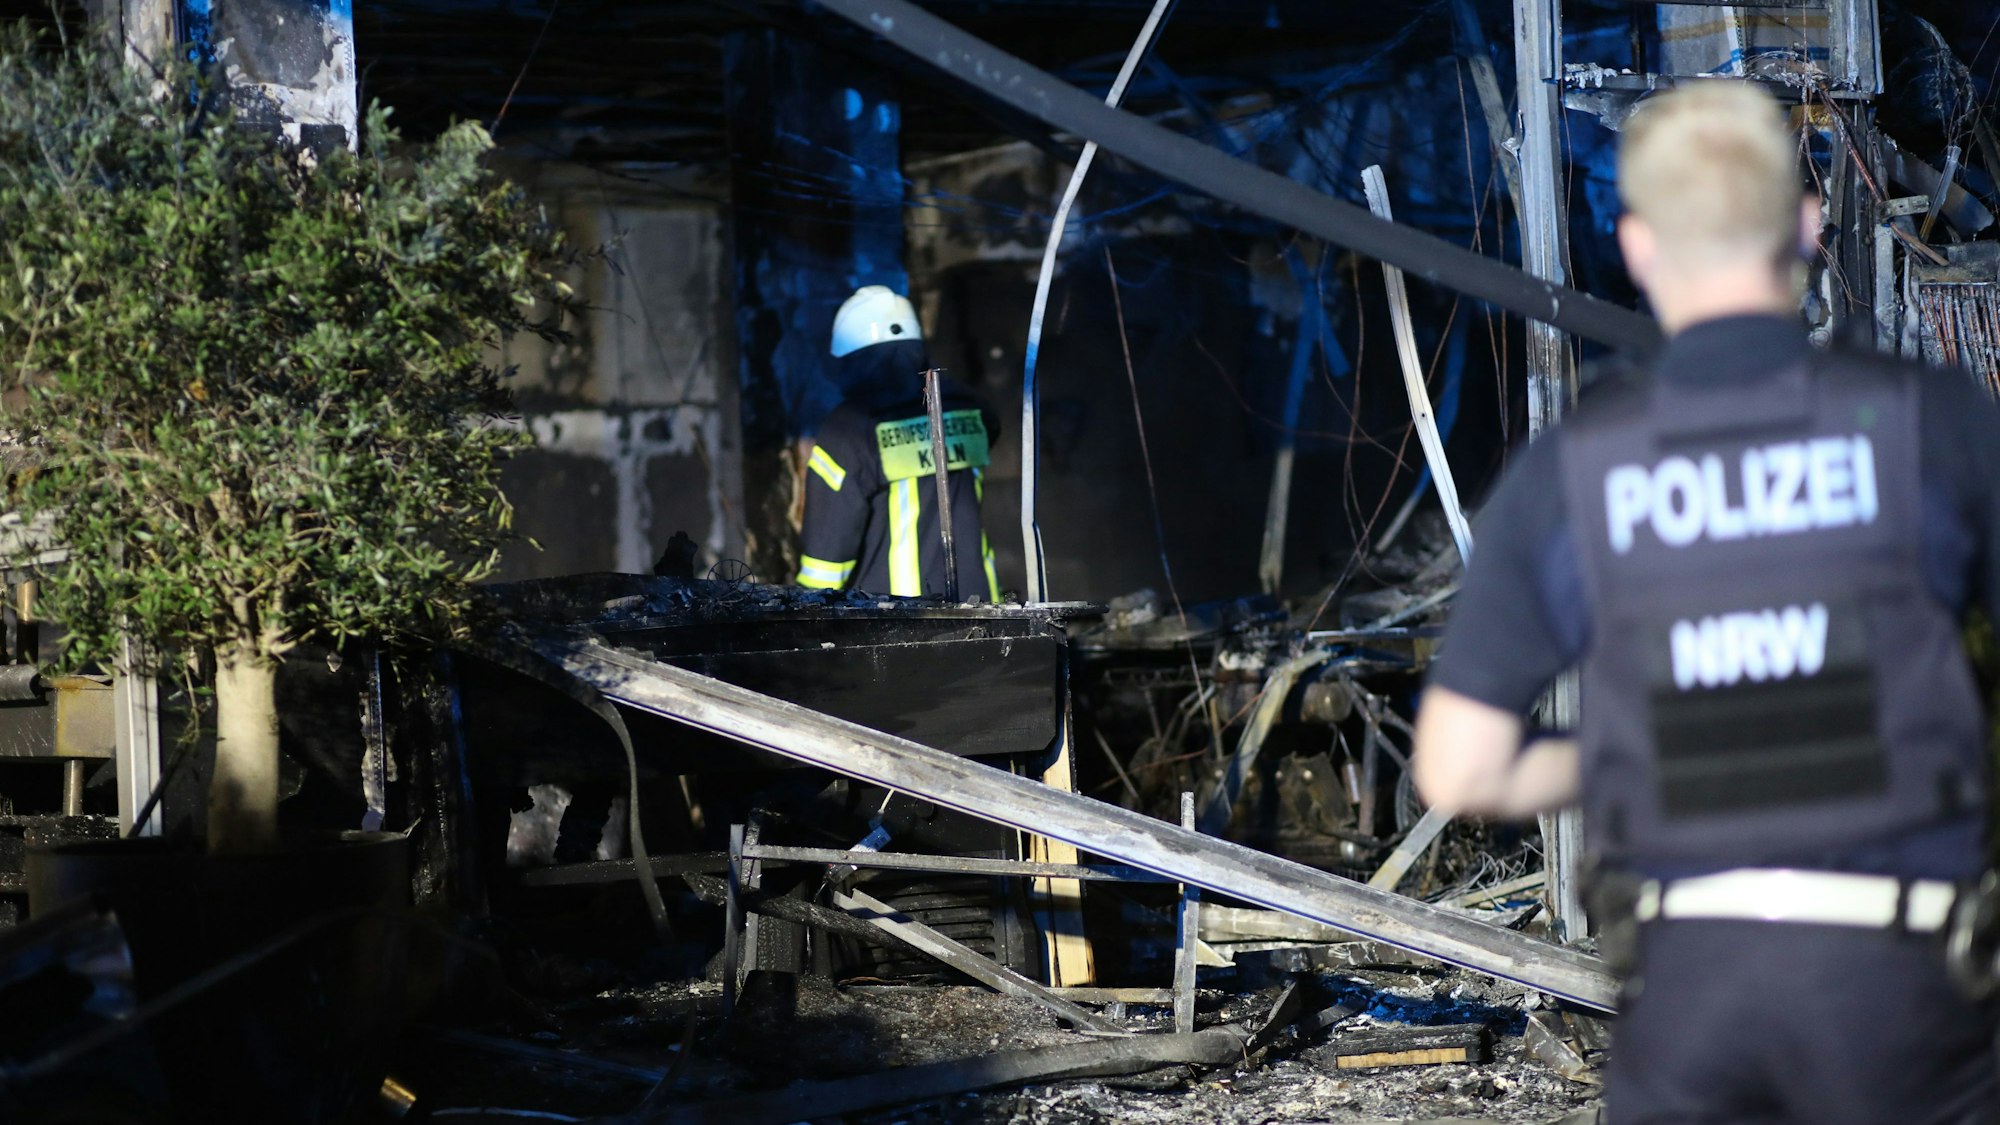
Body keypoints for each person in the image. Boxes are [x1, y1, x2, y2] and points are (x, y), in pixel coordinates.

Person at [1412, 82, 2000, 1123]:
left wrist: (1651, 747)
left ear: (1636, 247)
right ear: (1807, 229)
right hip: (1906, 993)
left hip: (1692, 994)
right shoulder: (1932, 424)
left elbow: (1457, 770)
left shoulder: (1571, 471)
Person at [794, 285, 999, 600]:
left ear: (849, 358)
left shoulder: (848, 430)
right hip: (985, 611)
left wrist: (804, 613)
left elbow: (826, 562)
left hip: (899, 627)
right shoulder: (969, 406)